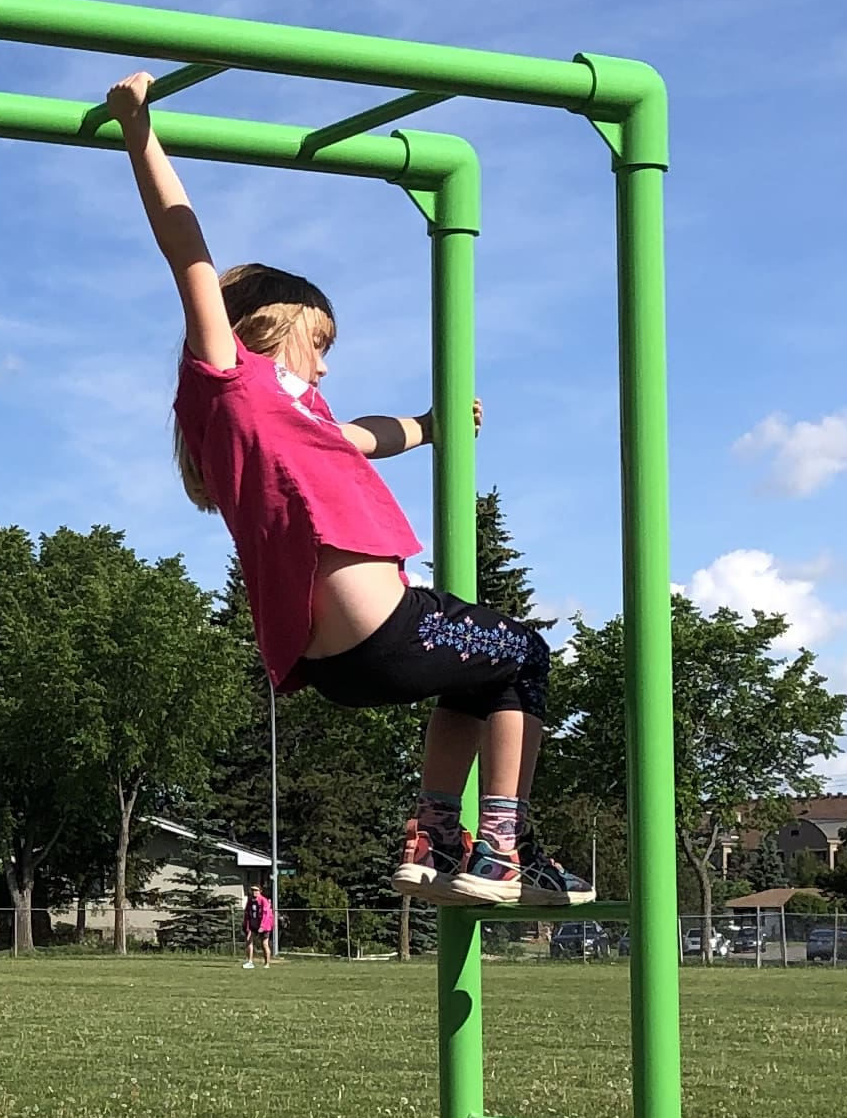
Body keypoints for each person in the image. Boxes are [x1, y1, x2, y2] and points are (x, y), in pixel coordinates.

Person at [111, 70, 588, 910]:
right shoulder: (233, 380)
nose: (326, 365)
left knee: (476, 679)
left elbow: (366, 435)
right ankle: (503, 849)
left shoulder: (292, 422)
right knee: (525, 654)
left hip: (335, 663)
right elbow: (185, 246)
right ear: (266, 327)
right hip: (385, 628)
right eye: (318, 343)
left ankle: (436, 840)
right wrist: (138, 128)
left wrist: (429, 426)